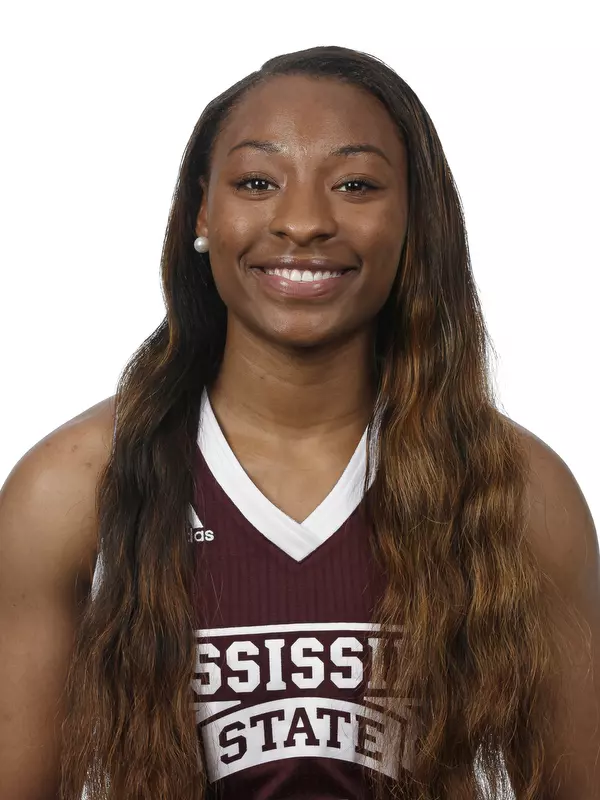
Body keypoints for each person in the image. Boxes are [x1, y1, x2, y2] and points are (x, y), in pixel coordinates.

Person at [0, 45, 598, 800]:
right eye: (257, 182)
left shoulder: (517, 490)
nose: (305, 221)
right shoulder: (72, 486)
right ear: (202, 214)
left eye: (355, 184)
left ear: (415, 218)